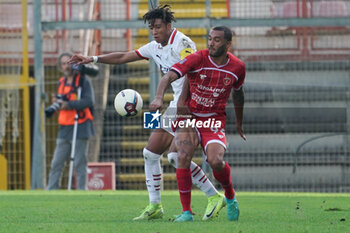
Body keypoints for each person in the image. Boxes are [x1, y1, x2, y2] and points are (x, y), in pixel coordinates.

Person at [68, 5, 225, 221]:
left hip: (191, 106)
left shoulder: (184, 43)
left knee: (168, 155)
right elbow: (124, 56)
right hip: (176, 105)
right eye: (151, 27)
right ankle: (159, 205)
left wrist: (179, 102)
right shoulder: (154, 47)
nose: (154, 31)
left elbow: (190, 73)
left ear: (169, 26)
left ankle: (210, 197)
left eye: (158, 26)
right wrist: (92, 59)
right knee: (156, 154)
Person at [149, 26, 246, 222]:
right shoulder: (196, 57)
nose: (211, 43)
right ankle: (186, 212)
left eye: (216, 40)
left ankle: (229, 195)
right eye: (210, 39)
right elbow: (168, 76)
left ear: (228, 44)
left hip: (214, 120)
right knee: (177, 155)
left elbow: (238, 94)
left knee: (215, 161)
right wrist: (158, 98)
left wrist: (239, 124)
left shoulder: (238, 67)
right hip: (188, 117)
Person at [47, 52, 95, 190]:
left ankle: (81, 191)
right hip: (64, 127)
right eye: (63, 63)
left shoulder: (83, 81)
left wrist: (69, 105)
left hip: (80, 125)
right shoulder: (61, 82)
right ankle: (51, 190)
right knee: (57, 162)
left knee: (79, 162)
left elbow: (89, 101)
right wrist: (57, 102)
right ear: (60, 66)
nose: (66, 66)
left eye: (68, 63)